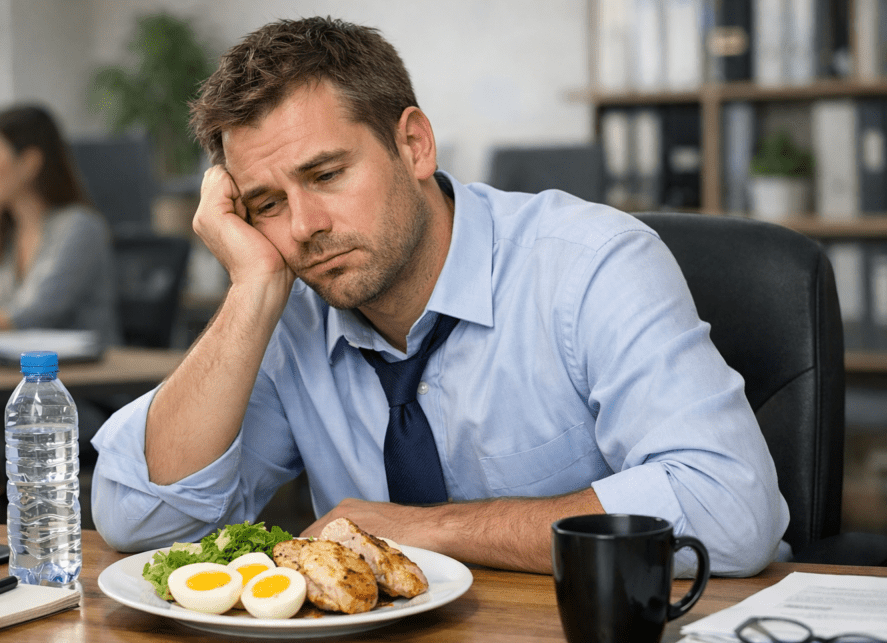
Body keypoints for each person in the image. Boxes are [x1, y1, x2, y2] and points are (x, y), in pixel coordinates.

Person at [90, 17, 789, 576]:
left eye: (327, 173)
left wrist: (428, 529)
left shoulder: (590, 266)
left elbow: (732, 510)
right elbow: (140, 522)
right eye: (268, 202)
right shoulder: (289, 311)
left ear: (415, 145)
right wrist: (252, 287)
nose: (304, 228)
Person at [0, 104, 121, 345]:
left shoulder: (80, 227)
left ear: (29, 163)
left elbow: (34, 315)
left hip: (84, 377)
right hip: (17, 372)